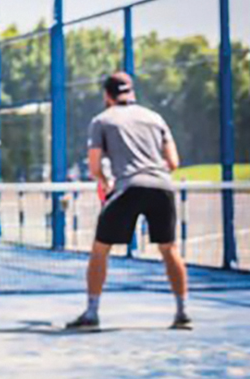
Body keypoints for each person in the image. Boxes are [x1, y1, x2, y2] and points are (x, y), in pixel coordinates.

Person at [66, 72, 189, 331]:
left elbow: (94, 166)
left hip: (128, 188)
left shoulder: (102, 120)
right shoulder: (155, 118)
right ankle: (182, 312)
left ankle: (91, 313)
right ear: (130, 93)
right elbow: (173, 163)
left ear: (107, 96)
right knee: (169, 249)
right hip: (161, 187)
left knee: (101, 250)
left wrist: (107, 182)